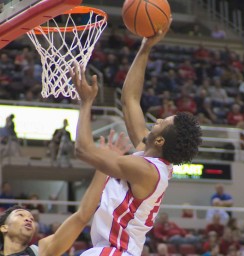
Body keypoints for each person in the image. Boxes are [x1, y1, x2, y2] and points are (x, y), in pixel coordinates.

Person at [71, 20, 202, 256]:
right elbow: (130, 99)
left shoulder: (146, 170)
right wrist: (145, 47)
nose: (158, 120)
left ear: (160, 141)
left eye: (163, 122)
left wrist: (86, 103)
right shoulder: (152, 157)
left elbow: (83, 150)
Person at [0, 130, 131, 256]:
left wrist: (104, 166)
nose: (28, 219)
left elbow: (82, 216)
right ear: (4, 227)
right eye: (20, 215)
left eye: (30, 218)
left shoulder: (39, 251)